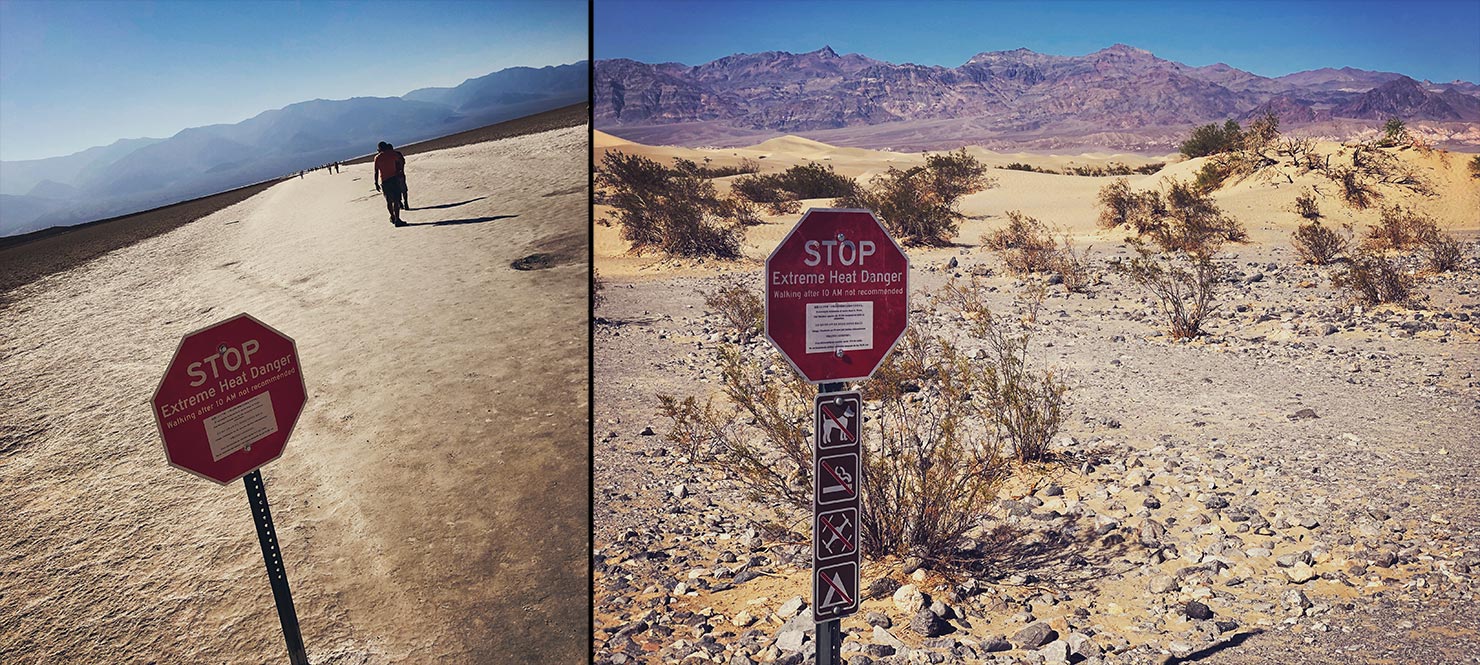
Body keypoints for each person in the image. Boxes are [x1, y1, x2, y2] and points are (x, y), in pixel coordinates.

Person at [373, 141, 407, 226]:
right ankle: (397, 219)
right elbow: (400, 161)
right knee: (396, 200)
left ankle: (392, 217)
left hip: (384, 181)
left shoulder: (377, 157)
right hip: (394, 179)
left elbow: (376, 171)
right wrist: (400, 171)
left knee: (389, 201)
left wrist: (376, 183)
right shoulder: (392, 154)